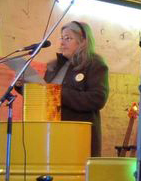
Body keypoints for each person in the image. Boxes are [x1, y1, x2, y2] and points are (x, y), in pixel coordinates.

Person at [43, 20, 109, 157]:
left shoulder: (94, 64)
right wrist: (23, 86)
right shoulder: (54, 67)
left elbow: (97, 99)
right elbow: (43, 95)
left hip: (78, 138)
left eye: (68, 38)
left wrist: (59, 93)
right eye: (62, 38)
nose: (62, 43)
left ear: (83, 41)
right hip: (51, 135)